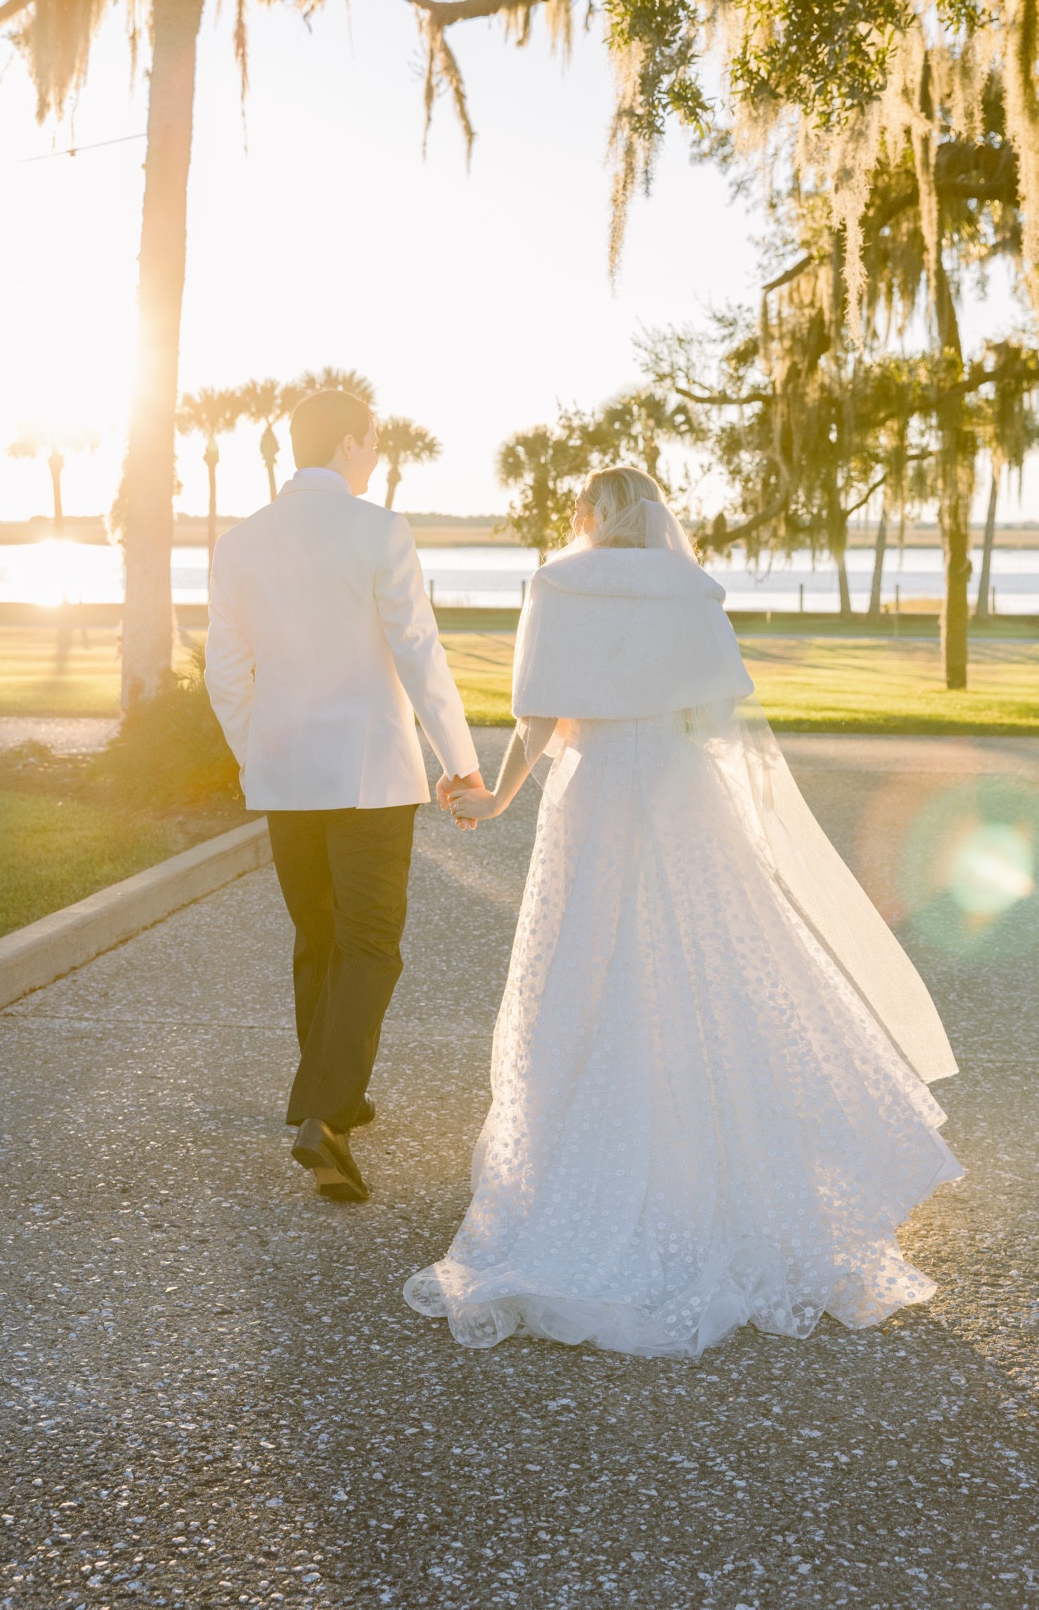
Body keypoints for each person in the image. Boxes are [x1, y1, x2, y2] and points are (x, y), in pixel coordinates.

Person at [405, 466, 963, 1359]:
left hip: (594, 794)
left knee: (590, 964)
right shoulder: (689, 586)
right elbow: (715, 718)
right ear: (654, 517)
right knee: (706, 968)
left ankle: (580, 1173)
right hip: (677, 788)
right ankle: (719, 1175)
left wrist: (498, 798)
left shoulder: (557, 582)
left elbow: (540, 716)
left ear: (589, 514)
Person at [205, 387, 483, 1205]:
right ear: (351, 445)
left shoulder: (239, 543)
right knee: (371, 944)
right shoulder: (379, 529)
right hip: (369, 778)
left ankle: (336, 1100)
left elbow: (226, 674)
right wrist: (461, 763)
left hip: (285, 779)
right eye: (373, 443)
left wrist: (260, 757)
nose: (375, 456)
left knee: (319, 940)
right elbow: (419, 652)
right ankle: (325, 1117)